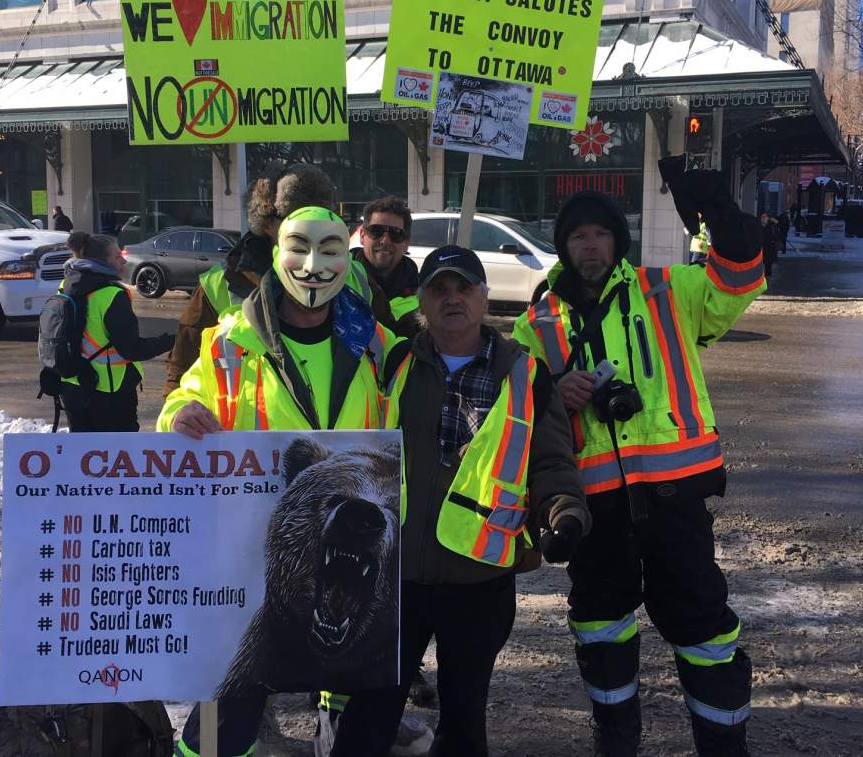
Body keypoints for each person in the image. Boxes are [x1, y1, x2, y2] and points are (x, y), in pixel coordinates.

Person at [512, 160, 765, 757]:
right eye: (578, 236)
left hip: (676, 497)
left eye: (600, 233)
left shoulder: (668, 290)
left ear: (617, 241)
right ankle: (615, 741)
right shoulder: (539, 320)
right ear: (565, 246)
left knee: (704, 627)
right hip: (594, 506)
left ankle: (724, 745)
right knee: (600, 624)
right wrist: (555, 387)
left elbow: (740, 279)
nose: (590, 244)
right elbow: (519, 406)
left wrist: (719, 214)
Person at [159, 207, 427, 757]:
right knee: (222, 708)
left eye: (328, 249)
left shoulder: (374, 343)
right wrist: (181, 413)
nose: (312, 265)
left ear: (345, 255)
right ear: (276, 255)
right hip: (242, 552)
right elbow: (184, 397)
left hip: (350, 551)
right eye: (298, 248)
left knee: (347, 697)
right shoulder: (229, 343)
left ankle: (331, 730)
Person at [331, 246, 590, 757]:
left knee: (464, 719)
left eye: (464, 287)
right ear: (421, 301)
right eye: (439, 289)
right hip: (392, 576)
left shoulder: (524, 374)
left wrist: (563, 508)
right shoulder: (392, 363)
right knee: (368, 716)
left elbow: (551, 461)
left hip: (478, 580)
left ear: (484, 296)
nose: (453, 299)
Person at [161, 165, 387, 397]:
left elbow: (392, 355)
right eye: (296, 215)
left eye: (318, 215)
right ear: (268, 222)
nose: (310, 225)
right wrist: (183, 412)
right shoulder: (220, 283)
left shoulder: (355, 276)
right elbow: (181, 376)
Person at [57, 232, 174, 432]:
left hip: (72, 386)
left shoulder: (67, 285)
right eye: (117, 256)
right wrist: (173, 340)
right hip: (109, 392)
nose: (124, 261)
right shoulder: (112, 295)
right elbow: (132, 350)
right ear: (102, 262)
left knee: (82, 455)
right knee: (119, 457)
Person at [353, 195, 422, 338]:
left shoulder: (424, 296)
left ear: (406, 243)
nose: (385, 241)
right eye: (376, 231)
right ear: (362, 235)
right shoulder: (337, 280)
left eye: (396, 234)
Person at [760, 212, 778, 280]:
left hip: (769, 247)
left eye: (764, 217)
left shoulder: (772, 226)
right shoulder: (759, 226)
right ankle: (760, 277)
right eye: (762, 217)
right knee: (760, 264)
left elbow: (777, 235)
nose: (763, 218)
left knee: (768, 263)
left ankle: (768, 277)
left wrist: (773, 240)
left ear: (768, 218)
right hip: (761, 248)